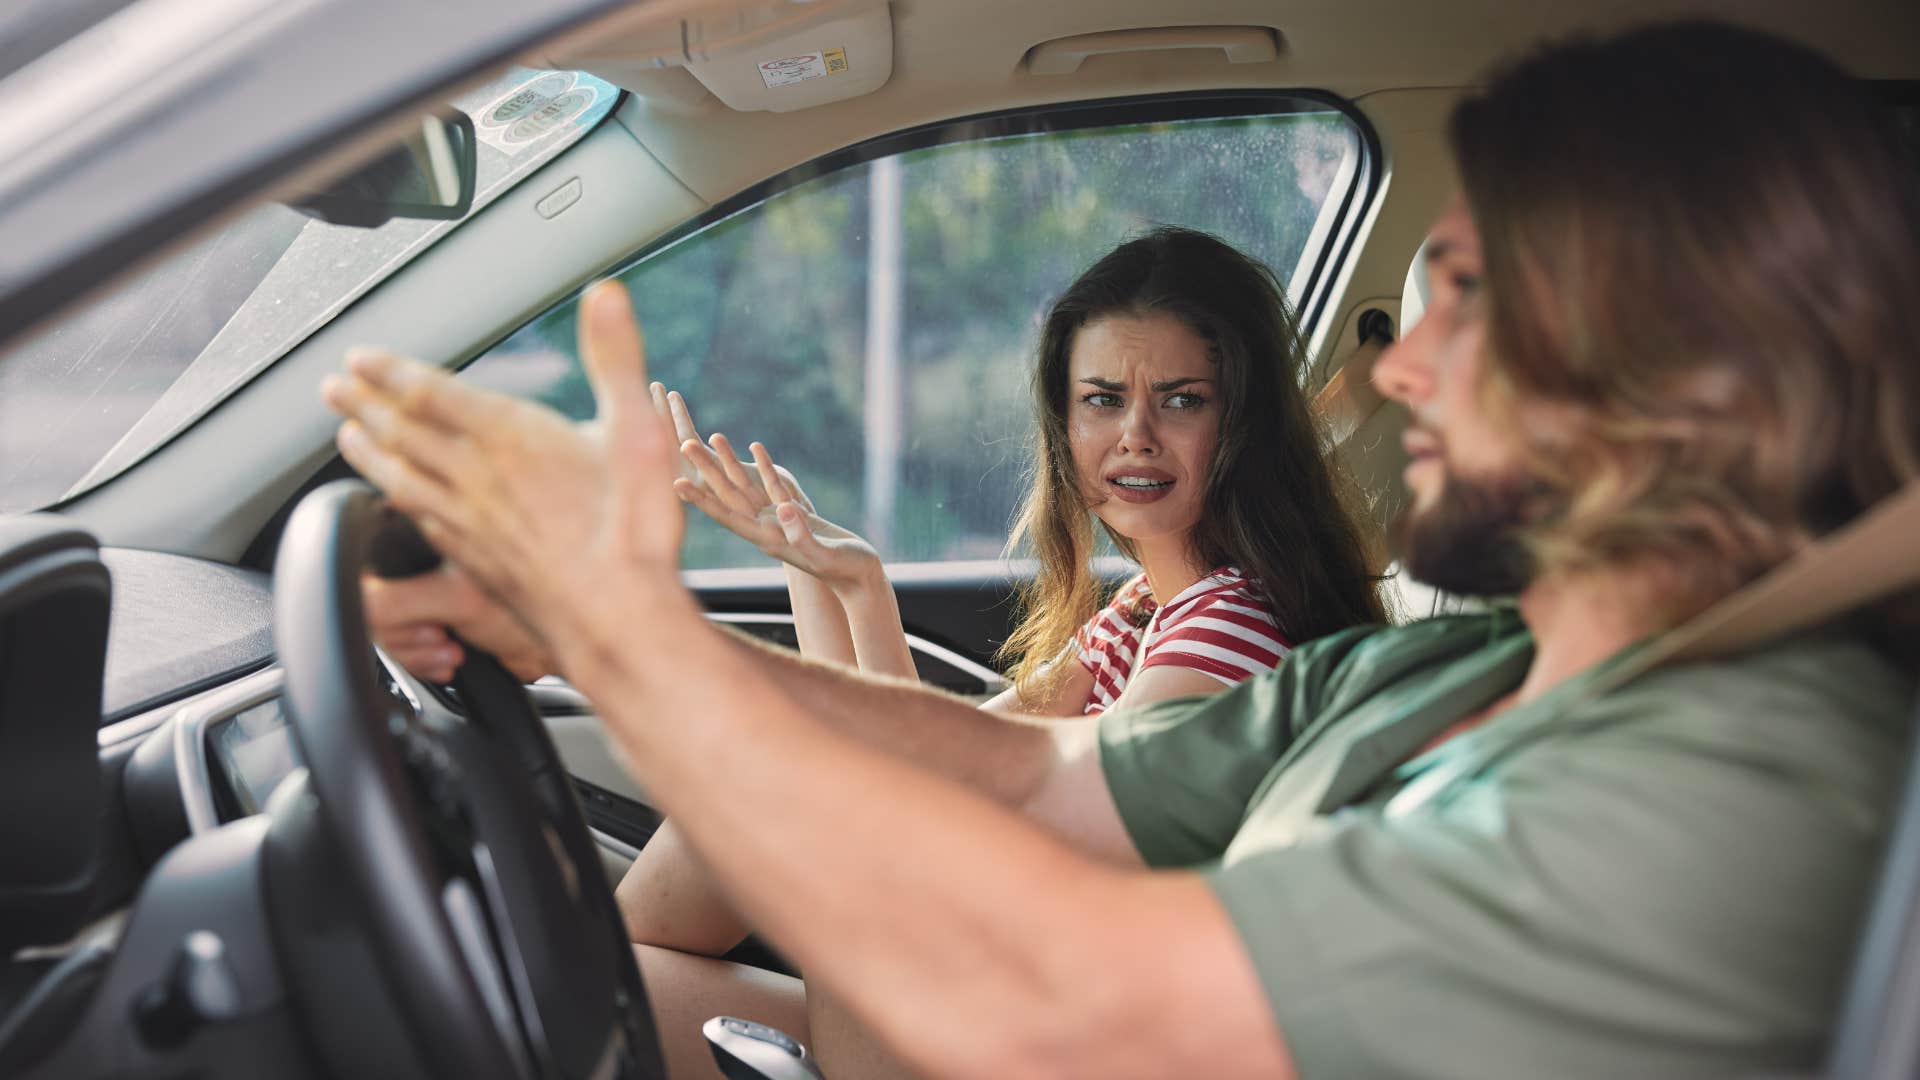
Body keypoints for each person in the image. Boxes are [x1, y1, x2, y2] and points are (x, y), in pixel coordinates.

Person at [325, 20, 1920, 1080]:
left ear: (1682, 361)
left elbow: (1073, 997)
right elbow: (1033, 781)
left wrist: (626, 639)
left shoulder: (1751, 772)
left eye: (1473, 302)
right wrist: (588, 623)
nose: (1398, 371)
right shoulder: (1437, 670)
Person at [653, 227, 1384, 716]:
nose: (1135, 436)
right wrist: (811, 561)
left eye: (1182, 401)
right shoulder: (1144, 610)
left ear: (1244, 422)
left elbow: (937, 788)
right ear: (1064, 425)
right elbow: (950, 756)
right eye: (1102, 400)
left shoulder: (1224, 635)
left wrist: (863, 589)